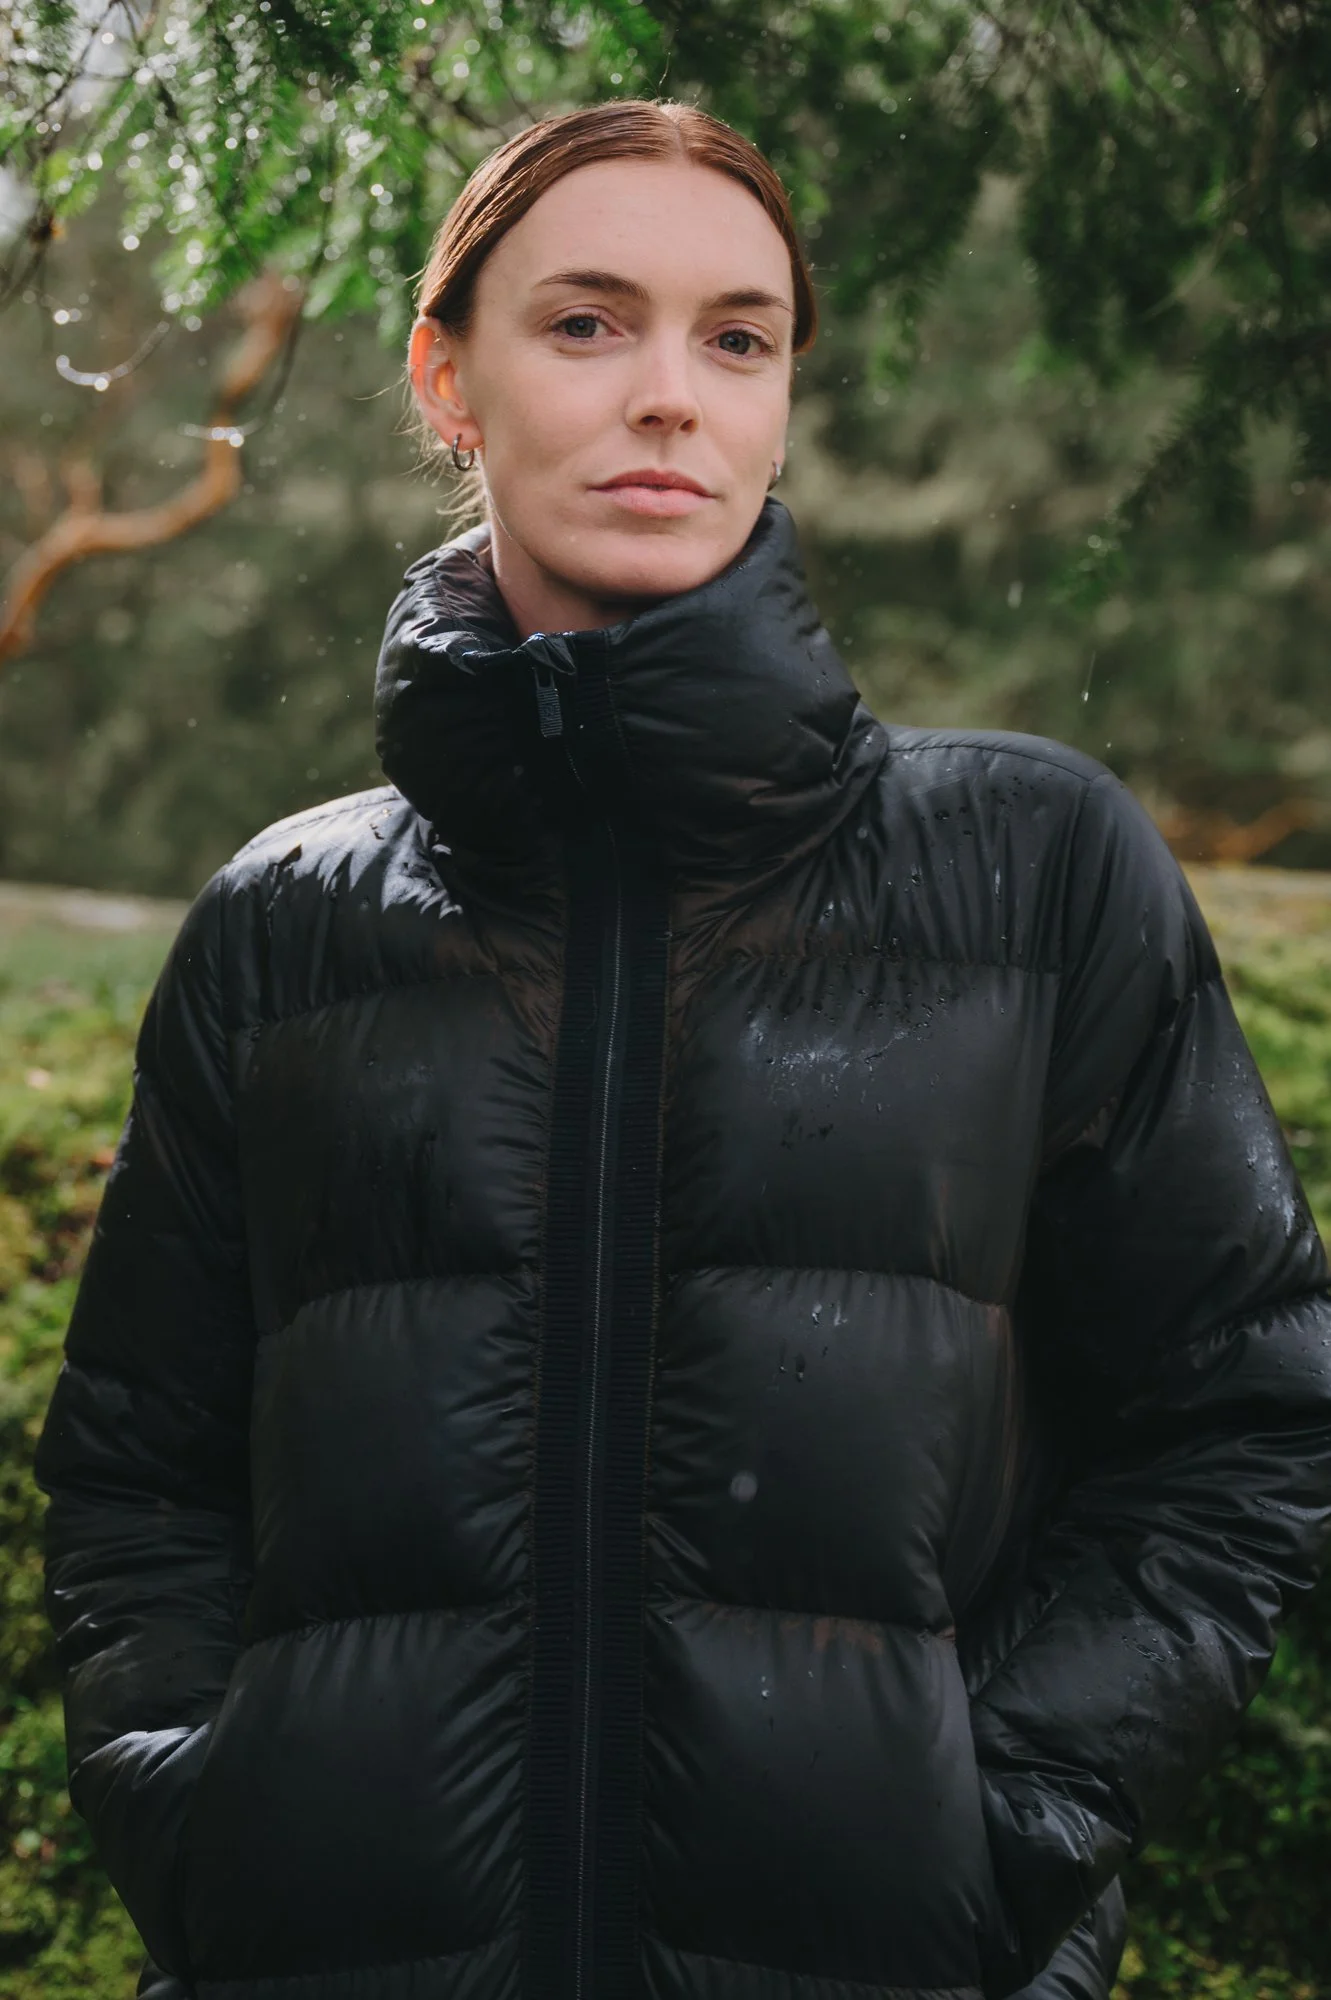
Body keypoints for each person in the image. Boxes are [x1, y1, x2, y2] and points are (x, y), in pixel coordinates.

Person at [34, 97, 1331, 2000]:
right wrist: (201, 1820)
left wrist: (1003, 1826)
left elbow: (1241, 1421)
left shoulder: (1032, 865)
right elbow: (137, 1473)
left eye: (737, 337)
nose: (670, 396)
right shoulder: (281, 922)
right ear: (445, 376)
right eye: (584, 322)